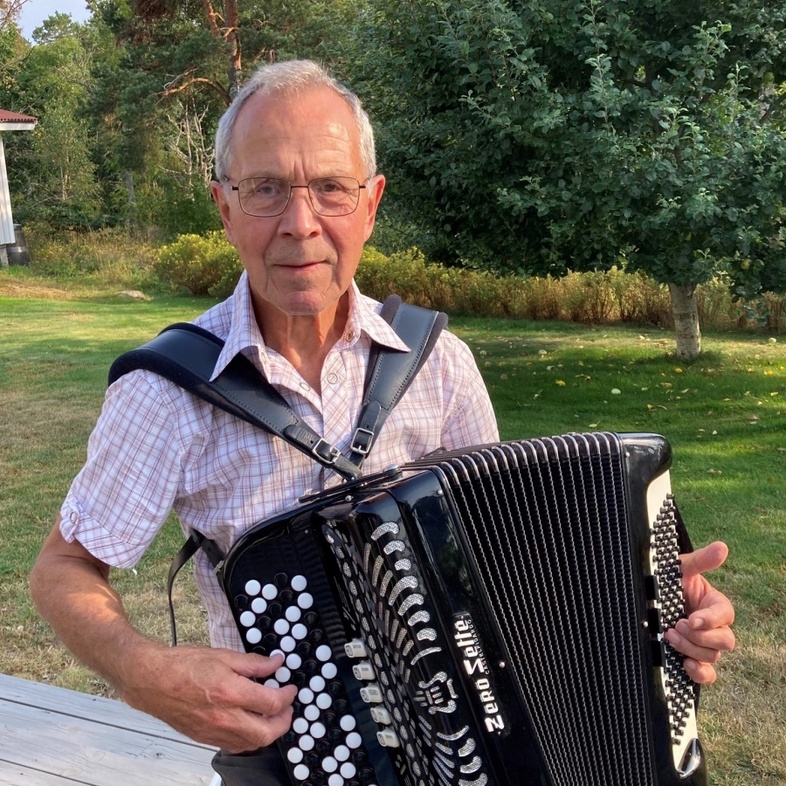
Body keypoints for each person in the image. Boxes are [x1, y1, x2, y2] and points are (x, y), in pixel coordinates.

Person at [30, 59, 736, 785]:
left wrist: (650, 613)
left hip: (477, 754)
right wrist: (142, 670)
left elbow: (512, 567)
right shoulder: (169, 389)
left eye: (331, 188)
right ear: (224, 207)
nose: (300, 224)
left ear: (370, 204)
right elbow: (64, 569)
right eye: (265, 188)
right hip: (287, 758)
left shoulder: (441, 363)